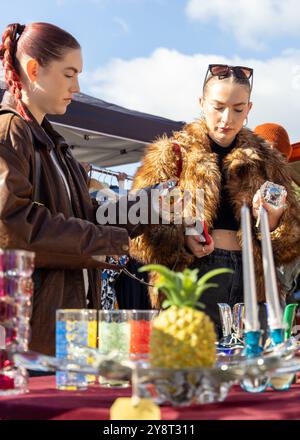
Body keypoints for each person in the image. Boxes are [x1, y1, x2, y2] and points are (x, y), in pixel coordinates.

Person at [0, 22, 145, 356]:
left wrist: (148, 209)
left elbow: (83, 216)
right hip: (29, 334)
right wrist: (112, 241)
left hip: (65, 325)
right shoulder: (10, 131)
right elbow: (12, 226)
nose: (77, 86)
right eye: (69, 74)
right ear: (34, 69)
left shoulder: (55, 145)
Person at [129, 64, 300, 335]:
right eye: (218, 106)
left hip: (253, 287)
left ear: (249, 108)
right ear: (201, 103)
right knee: (191, 372)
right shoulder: (170, 155)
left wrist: (274, 221)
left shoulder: (268, 161)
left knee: (251, 371)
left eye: (238, 108)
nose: (227, 118)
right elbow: (136, 234)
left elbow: (290, 244)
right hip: (190, 284)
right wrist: (181, 241)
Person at [254, 123, 300, 297]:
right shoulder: (235, 179)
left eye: (279, 153)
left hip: (274, 287)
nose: (271, 154)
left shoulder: (288, 197)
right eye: (265, 147)